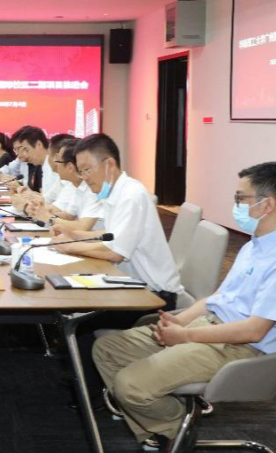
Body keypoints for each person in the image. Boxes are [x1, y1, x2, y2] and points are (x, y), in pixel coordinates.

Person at [93, 161, 276, 453]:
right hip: (207, 326)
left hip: (237, 347)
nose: (236, 205)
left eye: (241, 198)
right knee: (107, 349)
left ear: (268, 205)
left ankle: (176, 430)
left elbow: (254, 331)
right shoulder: (255, 247)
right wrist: (178, 320)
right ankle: (159, 424)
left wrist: (185, 336)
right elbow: (219, 298)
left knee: (130, 385)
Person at [50, 134, 183, 407]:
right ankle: (85, 376)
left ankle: (93, 395)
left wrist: (69, 247)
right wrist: (73, 236)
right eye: (81, 170)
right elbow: (108, 237)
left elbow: (115, 252)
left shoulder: (131, 196)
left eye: (86, 170)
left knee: (81, 320)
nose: (83, 177)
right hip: (128, 284)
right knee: (74, 302)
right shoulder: (115, 193)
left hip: (153, 296)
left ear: (109, 164)